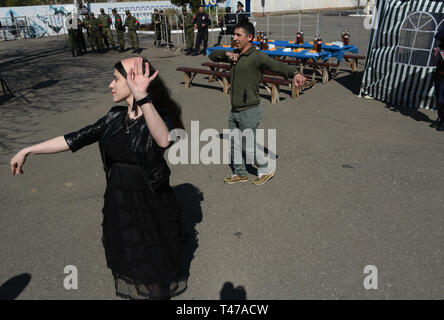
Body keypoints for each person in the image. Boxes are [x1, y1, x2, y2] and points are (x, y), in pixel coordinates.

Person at [9, 57, 188, 300]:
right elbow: (75, 138)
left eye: (115, 79)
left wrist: (143, 98)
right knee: (132, 256)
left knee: (153, 262)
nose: (110, 85)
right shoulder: (114, 117)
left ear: (134, 81)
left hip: (149, 201)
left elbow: (163, 140)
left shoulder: (158, 114)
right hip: (119, 200)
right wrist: (28, 149)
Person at [208, 22, 307, 185]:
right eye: (234, 34)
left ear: (250, 37)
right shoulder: (235, 54)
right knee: (234, 144)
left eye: (238, 35)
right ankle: (240, 173)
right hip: (235, 109)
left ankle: (266, 169)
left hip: (250, 110)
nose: (234, 38)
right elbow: (212, 56)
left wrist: (295, 73)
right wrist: (227, 55)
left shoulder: (257, 56)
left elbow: (277, 66)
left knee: (248, 145)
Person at [431, 23, 444, 131]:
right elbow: (438, 37)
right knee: (438, 96)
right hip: (440, 68)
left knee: (442, 97)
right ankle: (440, 117)